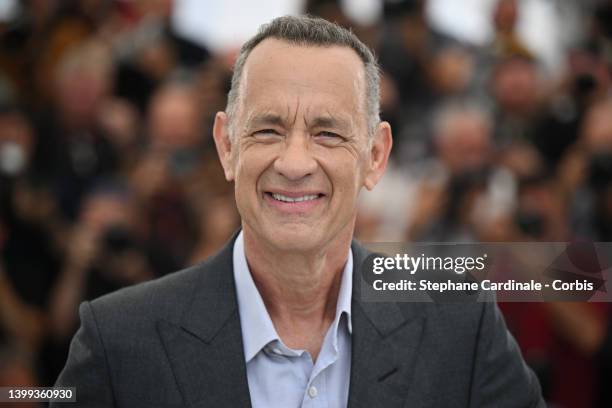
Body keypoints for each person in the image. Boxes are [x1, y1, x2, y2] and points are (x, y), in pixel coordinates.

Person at [52, 15, 544, 407]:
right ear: (227, 146)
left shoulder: (460, 320)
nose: (293, 163)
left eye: (328, 133)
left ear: (375, 156)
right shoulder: (119, 340)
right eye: (267, 130)